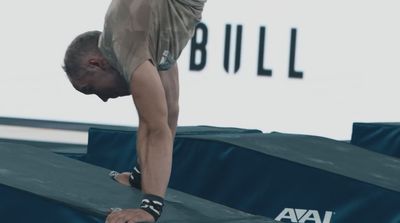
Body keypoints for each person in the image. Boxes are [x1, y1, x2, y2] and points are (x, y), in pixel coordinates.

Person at [63, 0, 206, 222]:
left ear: (96, 63)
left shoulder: (125, 41)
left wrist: (149, 209)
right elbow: (168, 111)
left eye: (90, 89)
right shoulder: (150, 39)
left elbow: (154, 129)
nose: (102, 99)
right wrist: (141, 177)